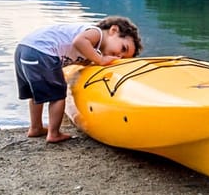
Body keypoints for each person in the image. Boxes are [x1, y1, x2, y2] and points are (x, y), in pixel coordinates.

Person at [14, 16, 142, 143]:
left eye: (123, 57)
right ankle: (54, 133)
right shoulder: (96, 34)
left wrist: (89, 61)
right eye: (123, 48)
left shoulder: (92, 47)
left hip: (24, 48)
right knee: (58, 96)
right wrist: (100, 60)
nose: (118, 56)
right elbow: (78, 42)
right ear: (113, 30)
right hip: (42, 51)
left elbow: (75, 53)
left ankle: (35, 128)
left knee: (35, 93)